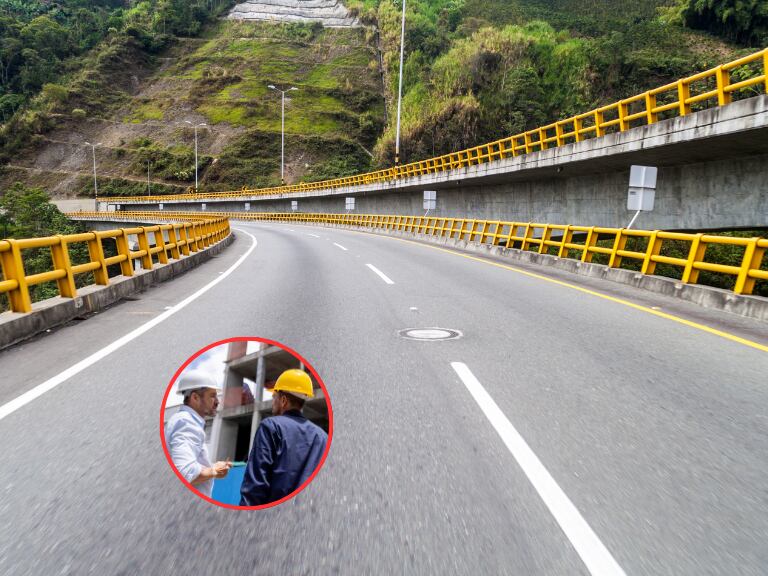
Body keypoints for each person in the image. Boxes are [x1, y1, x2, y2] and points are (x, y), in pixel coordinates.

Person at [240, 369, 328, 506]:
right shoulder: (322, 436)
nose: (272, 401)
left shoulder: (271, 427)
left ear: (283, 400)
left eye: (274, 396)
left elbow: (255, 486)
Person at [165, 371, 231, 498]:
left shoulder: (183, 420)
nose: (217, 402)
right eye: (212, 396)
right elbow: (185, 472)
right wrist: (214, 471)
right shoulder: (187, 423)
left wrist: (213, 467)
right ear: (195, 398)